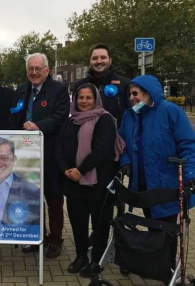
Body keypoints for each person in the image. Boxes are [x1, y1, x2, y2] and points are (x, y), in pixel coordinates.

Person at [119, 75, 195, 269]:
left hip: (166, 182)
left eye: (135, 93)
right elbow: (123, 144)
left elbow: (188, 145)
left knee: (166, 228)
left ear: (148, 93)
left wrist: (190, 175)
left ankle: (167, 267)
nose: (132, 97)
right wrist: (126, 162)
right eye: (130, 94)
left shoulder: (171, 112)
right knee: (151, 225)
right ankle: (154, 264)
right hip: (142, 182)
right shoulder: (130, 115)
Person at [56, 83, 124, 278]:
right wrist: (66, 170)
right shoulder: (70, 121)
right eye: (80, 98)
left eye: (88, 98)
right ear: (75, 100)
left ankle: (97, 260)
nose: (84, 101)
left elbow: (102, 150)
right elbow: (59, 148)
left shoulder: (105, 120)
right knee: (77, 223)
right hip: (73, 183)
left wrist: (81, 170)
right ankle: (80, 256)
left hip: (99, 184)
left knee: (100, 224)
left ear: (95, 100)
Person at [10, 53, 70, 259]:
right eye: (30, 69)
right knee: (31, 197)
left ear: (47, 70)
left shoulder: (59, 90)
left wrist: (38, 126)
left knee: (53, 198)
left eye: (38, 69)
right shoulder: (21, 89)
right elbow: (14, 115)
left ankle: (55, 239)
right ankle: (37, 237)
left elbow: (61, 116)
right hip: (26, 154)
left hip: (50, 153)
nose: (34, 73)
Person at [73, 43, 129, 126]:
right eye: (95, 58)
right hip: (86, 136)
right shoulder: (79, 85)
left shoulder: (125, 84)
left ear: (110, 61)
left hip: (116, 136)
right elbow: (75, 114)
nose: (99, 61)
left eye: (103, 57)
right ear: (90, 61)